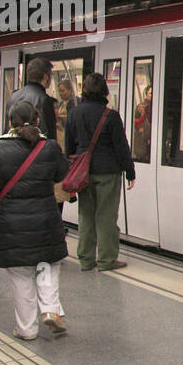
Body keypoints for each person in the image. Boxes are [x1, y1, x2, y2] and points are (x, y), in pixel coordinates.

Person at [0, 101, 70, 340]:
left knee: (22, 275)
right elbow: (62, 174)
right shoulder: (50, 148)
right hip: (45, 219)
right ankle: (50, 309)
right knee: (47, 264)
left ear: (10, 122)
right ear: (37, 120)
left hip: (10, 222)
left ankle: (26, 329)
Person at [66, 72, 136, 271]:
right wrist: (130, 171)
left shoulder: (74, 113)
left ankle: (86, 259)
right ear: (104, 91)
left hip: (82, 172)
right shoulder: (111, 116)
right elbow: (121, 147)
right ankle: (106, 259)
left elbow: (69, 146)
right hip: (108, 171)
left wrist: (69, 170)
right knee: (106, 215)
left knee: (85, 214)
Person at [9, 58, 58, 146]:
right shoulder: (45, 100)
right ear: (45, 77)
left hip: (14, 150)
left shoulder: (13, 97)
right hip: (35, 152)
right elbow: (49, 134)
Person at [131, 85, 153, 161]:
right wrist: (140, 129)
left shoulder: (156, 106)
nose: (152, 95)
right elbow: (134, 121)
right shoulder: (141, 107)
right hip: (143, 141)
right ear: (146, 94)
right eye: (150, 93)